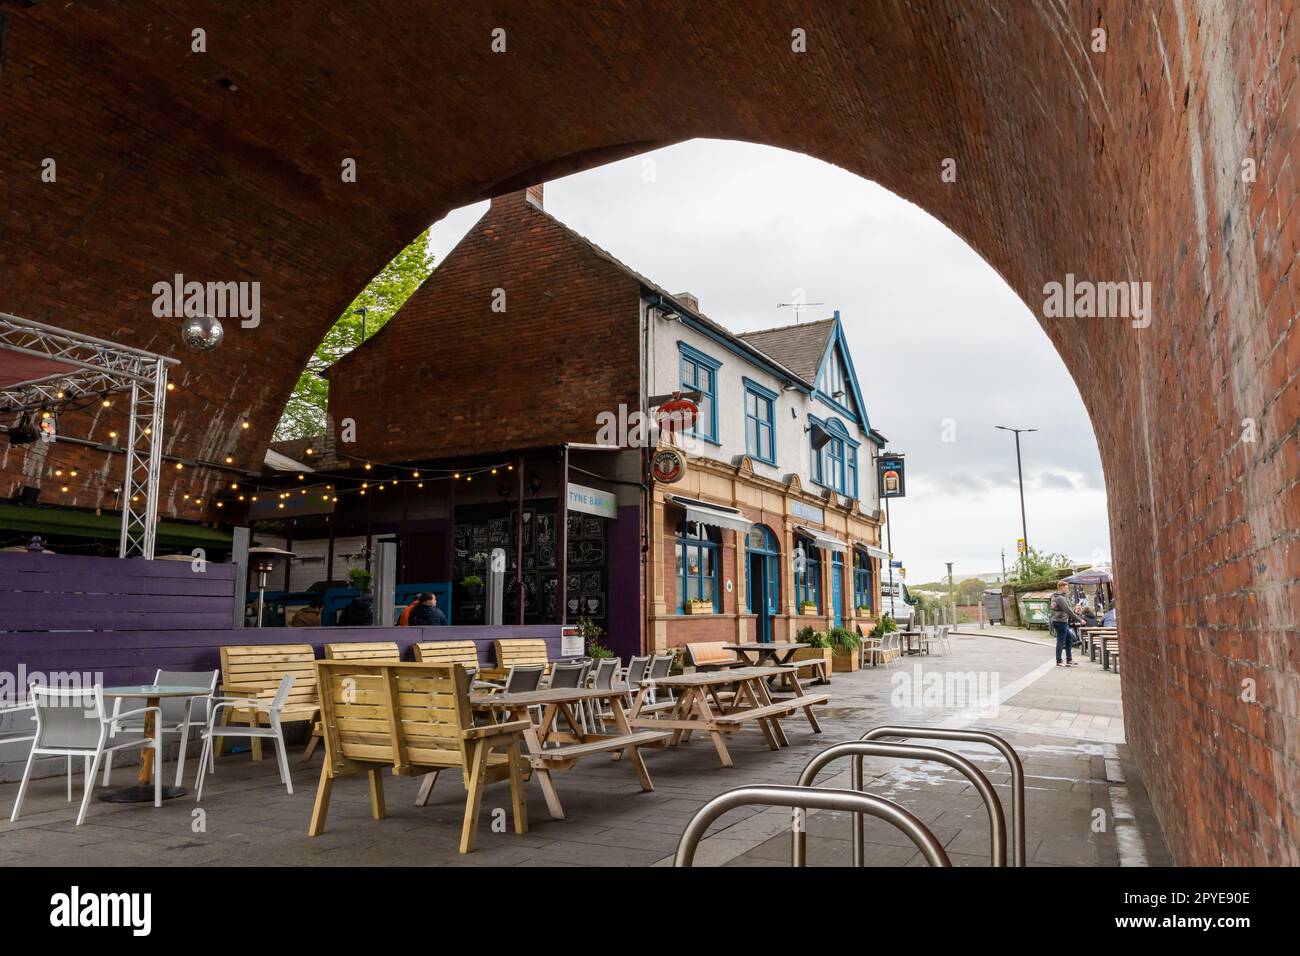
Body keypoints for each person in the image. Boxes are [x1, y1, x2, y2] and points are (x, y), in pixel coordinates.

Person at [1049, 581, 1082, 667]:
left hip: (1060, 621)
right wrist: (1079, 619)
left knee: (1069, 639)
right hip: (1060, 621)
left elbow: (1066, 609)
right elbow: (1067, 610)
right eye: (1066, 588)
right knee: (1061, 640)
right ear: (1061, 588)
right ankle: (1059, 661)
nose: (1067, 589)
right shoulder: (1060, 598)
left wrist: (1075, 611)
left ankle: (1069, 659)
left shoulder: (1057, 596)